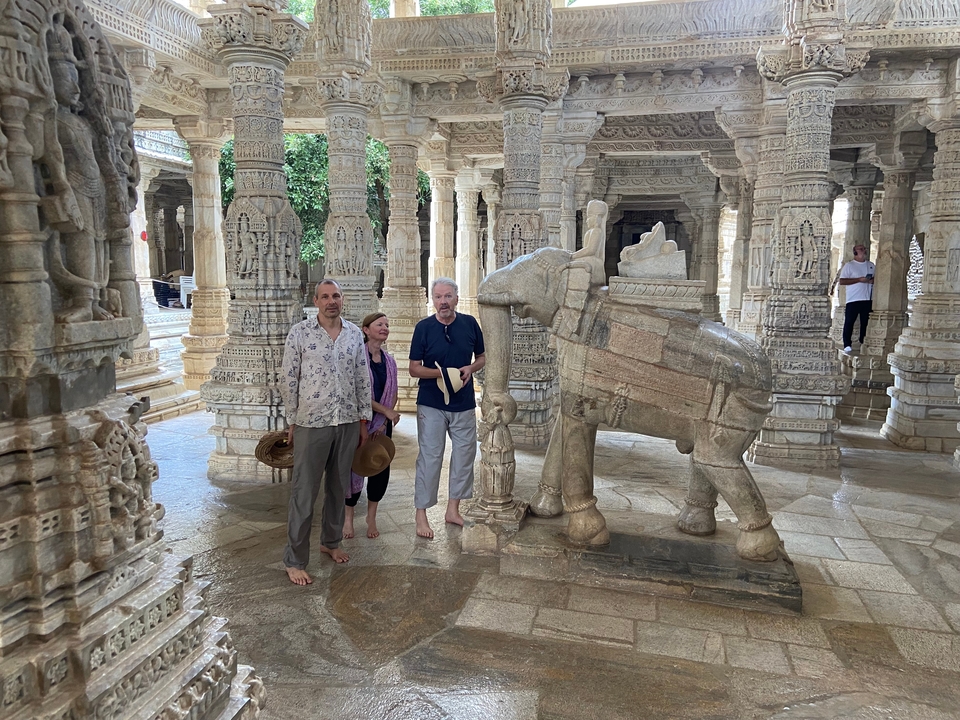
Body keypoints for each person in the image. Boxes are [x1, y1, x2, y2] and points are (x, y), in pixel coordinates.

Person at [280, 280, 371, 585]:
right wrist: (292, 421)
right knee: (304, 492)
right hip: (311, 422)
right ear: (316, 301)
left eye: (336, 296)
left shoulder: (354, 334)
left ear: (341, 300)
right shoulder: (300, 334)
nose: (332, 301)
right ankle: (294, 560)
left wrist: (362, 419)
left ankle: (330, 542)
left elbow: (362, 377)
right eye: (326, 297)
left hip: (345, 420)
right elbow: (289, 378)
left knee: (338, 487)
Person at [409, 278, 486, 539]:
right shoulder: (424, 328)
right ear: (433, 300)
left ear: (456, 297)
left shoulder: (469, 324)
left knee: (465, 455)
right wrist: (439, 374)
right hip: (431, 402)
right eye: (438, 297)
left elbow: (482, 358)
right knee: (430, 457)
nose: (443, 301)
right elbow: (413, 368)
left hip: (463, 402)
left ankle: (453, 510)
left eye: (448, 296)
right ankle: (421, 514)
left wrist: (470, 369)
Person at [344, 312, 400, 540]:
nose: (385, 328)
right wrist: (383, 411)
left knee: (379, 468)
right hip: (359, 423)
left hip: (381, 427)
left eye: (387, 324)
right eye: (379, 324)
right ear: (366, 330)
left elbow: (393, 393)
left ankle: (371, 517)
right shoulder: (357, 358)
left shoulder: (390, 361)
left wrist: (384, 421)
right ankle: (348, 519)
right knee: (353, 468)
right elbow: (356, 393)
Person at [838, 244, 876, 354]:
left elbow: (876, 278)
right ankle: (847, 344)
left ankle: (862, 341)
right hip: (853, 299)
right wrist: (859, 279)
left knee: (865, 322)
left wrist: (871, 280)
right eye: (861, 249)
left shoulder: (871, 265)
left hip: (867, 298)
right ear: (855, 252)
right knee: (849, 322)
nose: (864, 250)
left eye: (864, 249)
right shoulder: (849, 266)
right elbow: (842, 281)